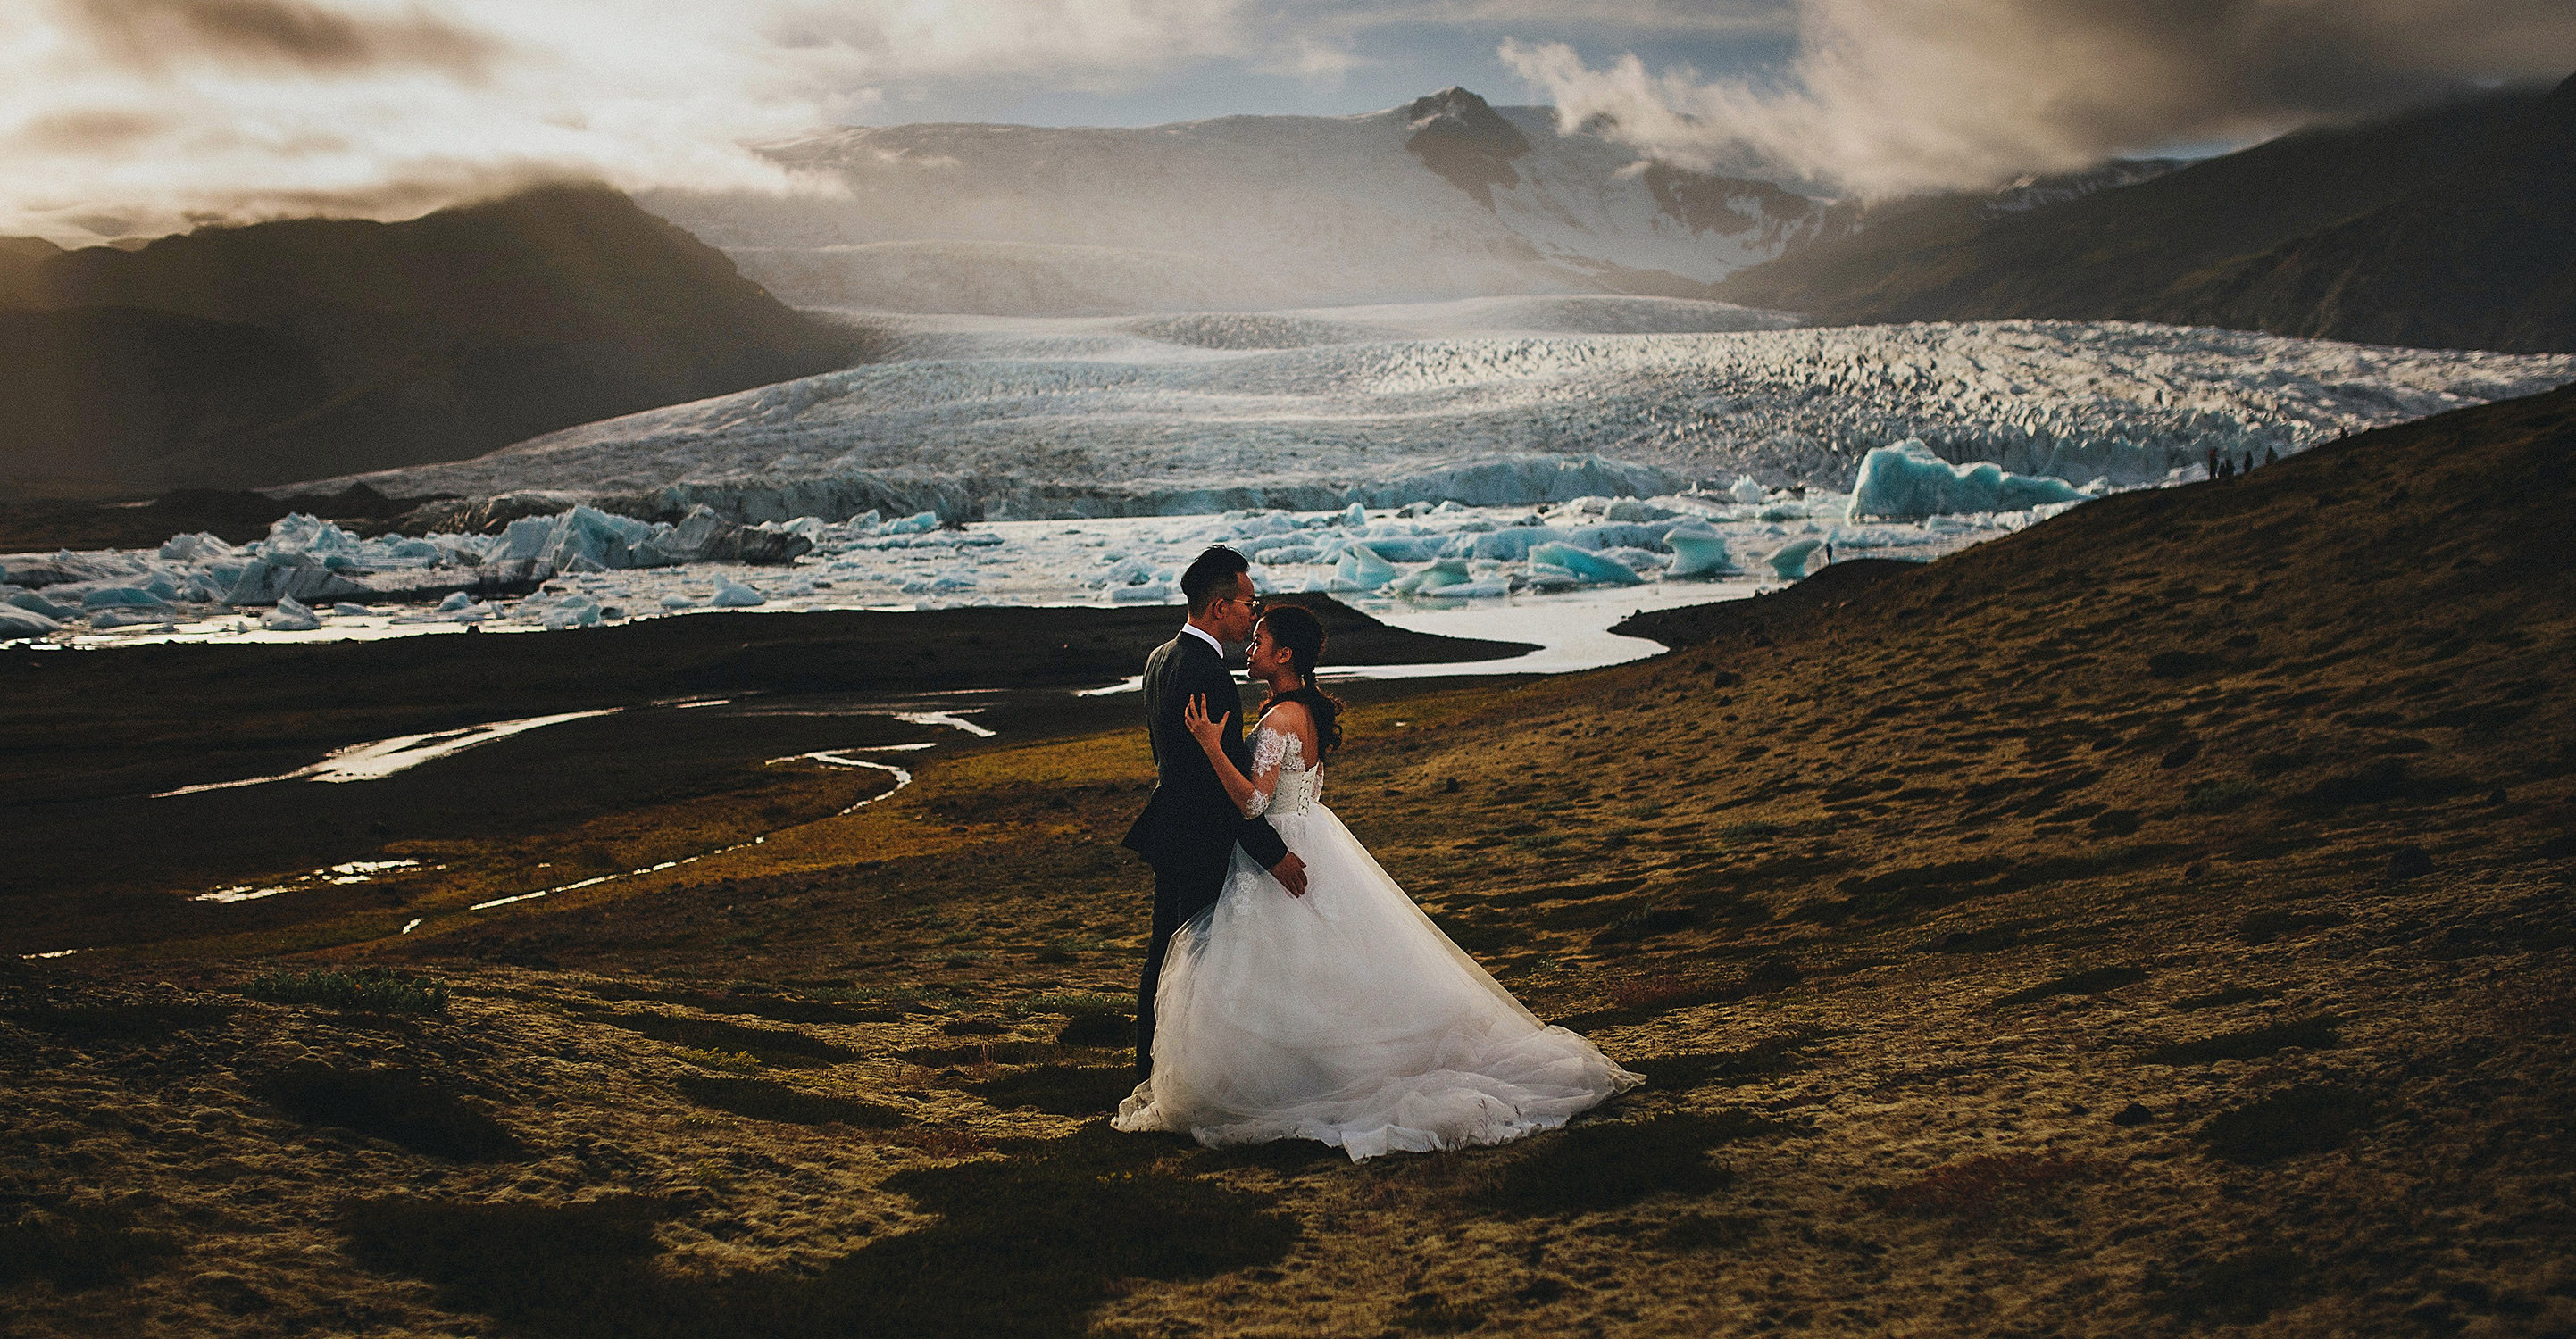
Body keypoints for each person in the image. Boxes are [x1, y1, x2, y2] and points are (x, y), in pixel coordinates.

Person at [1113, 603, 1639, 1160]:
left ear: (1284, 654)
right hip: (1312, 835)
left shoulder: (1278, 721)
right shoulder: (1301, 712)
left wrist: (1211, 746)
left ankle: (1300, 1081)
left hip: (1282, 849)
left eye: (1260, 639)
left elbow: (1253, 803)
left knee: (1289, 972)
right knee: (1323, 971)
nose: (1251, 647)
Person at [1121, 545, 1305, 1085]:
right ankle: (1181, 1078)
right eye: (1249, 602)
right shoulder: (1209, 675)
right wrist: (1271, 853)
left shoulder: (1161, 657)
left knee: (1164, 955)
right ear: (1221, 607)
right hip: (1201, 837)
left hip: (1170, 828)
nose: (1254, 613)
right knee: (1194, 960)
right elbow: (1217, 783)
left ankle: (1151, 1070)